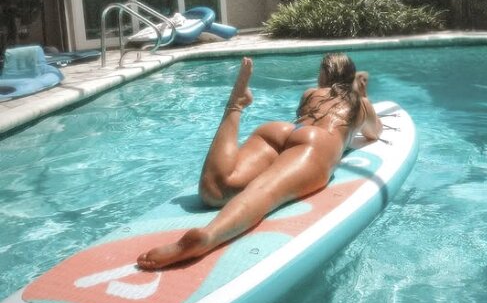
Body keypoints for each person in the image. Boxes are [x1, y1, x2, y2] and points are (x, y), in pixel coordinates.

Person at [137, 53, 383, 270]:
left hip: (280, 131)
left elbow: (306, 117)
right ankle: (209, 236)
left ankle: (235, 104)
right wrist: (363, 97)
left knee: (216, 190)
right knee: (264, 190)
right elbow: (374, 133)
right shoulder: (360, 103)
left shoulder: (310, 93)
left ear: (323, 76)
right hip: (316, 141)